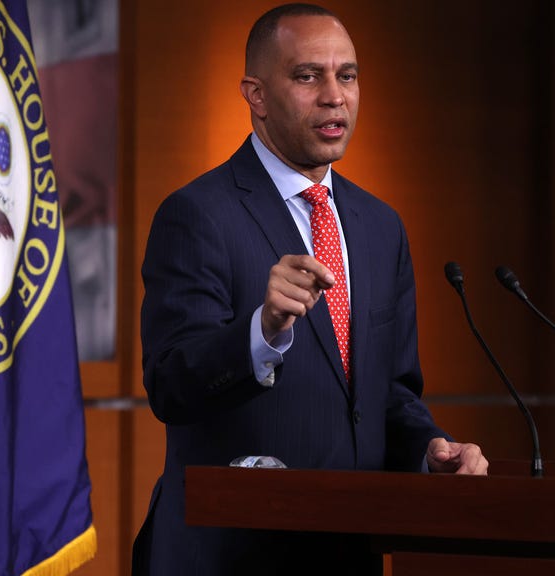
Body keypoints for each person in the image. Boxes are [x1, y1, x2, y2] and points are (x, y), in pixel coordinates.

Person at [132, 4, 488, 575]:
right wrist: (262, 331)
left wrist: (431, 452)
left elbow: (389, 393)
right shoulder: (197, 215)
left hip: (346, 553)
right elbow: (171, 385)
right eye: (307, 76)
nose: (334, 95)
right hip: (229, 555)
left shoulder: (379, 226)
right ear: (256, 95)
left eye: (346, 75)